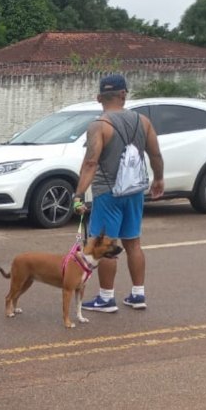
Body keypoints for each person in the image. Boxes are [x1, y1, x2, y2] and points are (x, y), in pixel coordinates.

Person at [75, 73, 164, 313]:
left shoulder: (99, 126)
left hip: (108, 193)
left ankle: (106, 298)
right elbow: (155, 154)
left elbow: (90, 163)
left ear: (98, 98)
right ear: (124, 95)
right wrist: (159, 178)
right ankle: (138, 294)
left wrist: (78, 194)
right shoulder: (143, 122)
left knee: (106, 244)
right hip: (134, 191)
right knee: (133, 243)